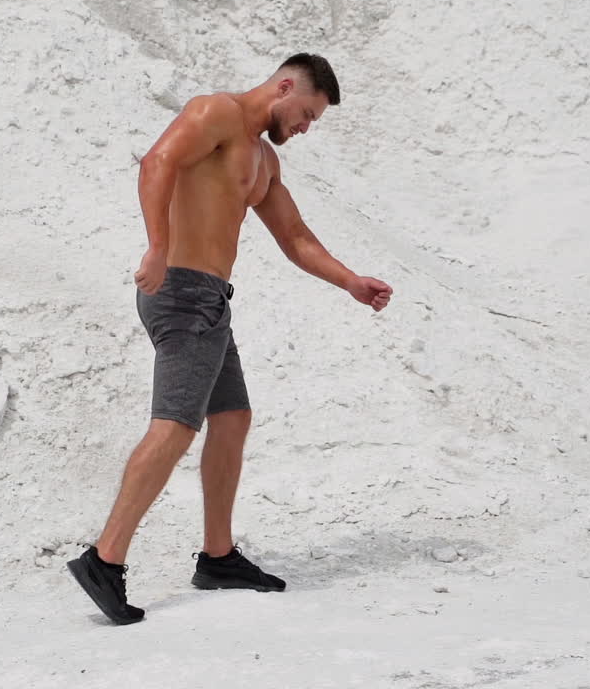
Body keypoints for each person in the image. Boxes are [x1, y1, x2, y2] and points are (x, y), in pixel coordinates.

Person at [67, 53, 393, 625]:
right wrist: (157, 246)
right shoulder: (216, 113)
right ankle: (104, 559)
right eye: (307, 113)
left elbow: (295, 237)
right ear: (285, 86)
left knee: (233, 416)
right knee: (175, 424)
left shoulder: (263, 160)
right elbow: (157, 164)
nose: (306, 127)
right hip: (180, 291)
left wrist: (351, 282)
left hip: (212, 301)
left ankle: (217, 557)